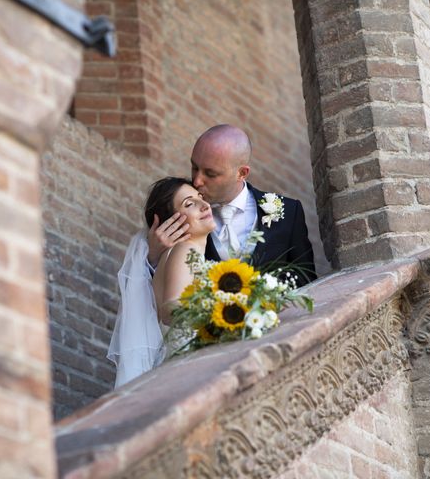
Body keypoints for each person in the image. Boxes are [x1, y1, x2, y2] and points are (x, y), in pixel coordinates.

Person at [148, 124, 316, 285]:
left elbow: (307, 281)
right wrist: (154, 259)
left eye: (210, 174)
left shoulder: (289, 212)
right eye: (194, 167)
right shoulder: (184, 213)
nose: (197, 180)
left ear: (242, 173)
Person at [107, 177, 216, 388]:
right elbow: (171, 310)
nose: (204, 205)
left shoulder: (182, 255)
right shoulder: (186, 250)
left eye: (200, 197)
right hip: (188, 370)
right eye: (189, 204)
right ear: (171, 224)